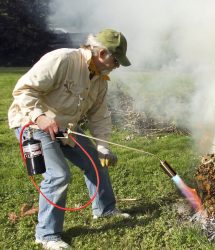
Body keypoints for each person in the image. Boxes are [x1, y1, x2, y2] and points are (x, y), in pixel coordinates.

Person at [8, 28, 131, 250]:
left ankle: (105, 210)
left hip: (64, 128)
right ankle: (46, 235)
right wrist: (40, 116)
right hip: (31, 123)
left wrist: (103, 147)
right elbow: (23, 90)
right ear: (102, 53)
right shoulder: (62, 59)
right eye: (116, 60)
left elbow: (99, 115)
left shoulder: (100, 80)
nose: (117, 66)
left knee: (95, 160)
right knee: (58, 175)